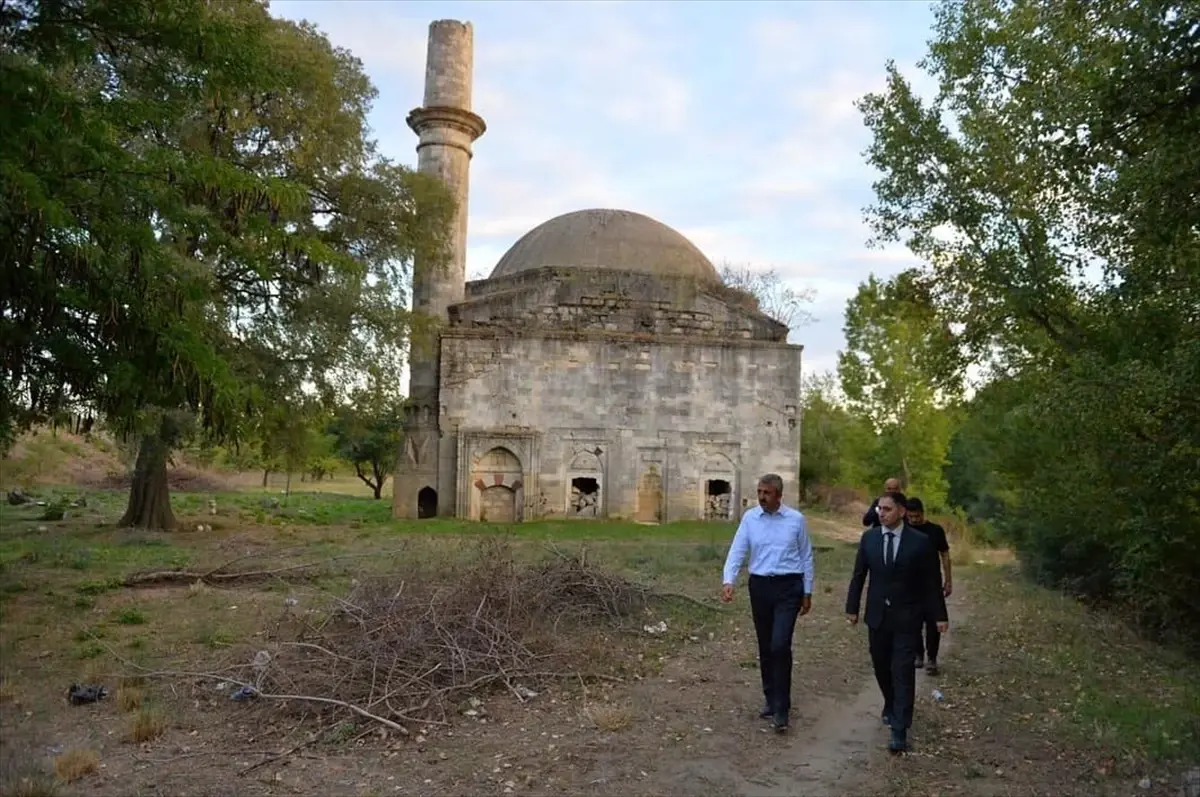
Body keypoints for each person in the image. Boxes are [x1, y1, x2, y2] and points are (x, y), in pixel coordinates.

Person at [844, 490, 948, 753]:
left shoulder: (920, 542)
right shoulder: (869, 540)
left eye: (887, 509)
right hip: (878, 616)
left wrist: (939, 615)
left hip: (907, 617)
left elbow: (931, 582)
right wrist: (852, 607)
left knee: (902, 670)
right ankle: (890, 703)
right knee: (881, 666)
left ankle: (900, 729)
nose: (881, 513)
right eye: (879, 509)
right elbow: (859, 575)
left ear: (901, 511)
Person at [720, 473, 815, 733]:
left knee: (780, 644)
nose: (762, 497)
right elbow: (738, 550)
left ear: (779, 495)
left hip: (788, 587)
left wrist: (807, 591)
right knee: (765, 644)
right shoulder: (750, 519)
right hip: (760, 586)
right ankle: (771, 698)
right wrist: (729, 580)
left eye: (767, 493)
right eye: (760, 492)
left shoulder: (796, 520)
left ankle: (783, 707)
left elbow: (806, 556)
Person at [905, 497, 952, 675]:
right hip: (910, 582)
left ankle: (932, 658)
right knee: (913, 621)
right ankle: (918, 654)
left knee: (934, 622)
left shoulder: (935, 531)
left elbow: (945, 555)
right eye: (911, 517)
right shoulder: (906, 529)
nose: (914, 520)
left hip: (931, 581)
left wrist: (948, 580)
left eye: (917, 516)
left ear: (923, 513)